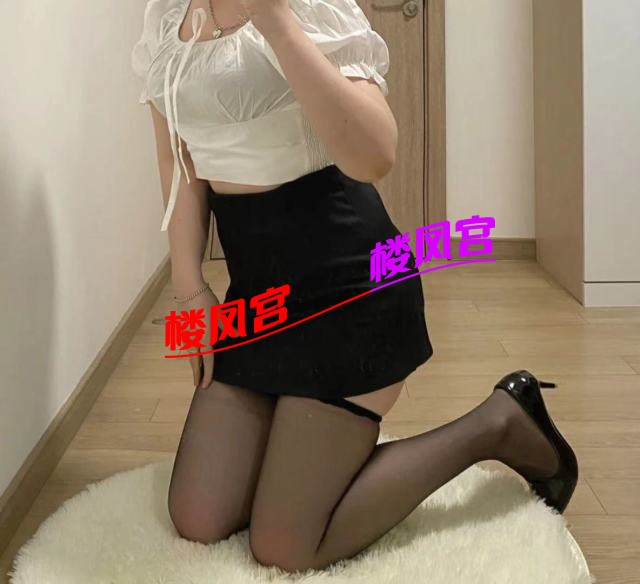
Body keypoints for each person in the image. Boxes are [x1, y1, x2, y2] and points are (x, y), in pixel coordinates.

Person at [131, 0, 579, 574]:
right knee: (199, 514)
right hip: (260, 299)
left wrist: (274, 19)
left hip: (350, 288)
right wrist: (189, 287)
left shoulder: (310, 6)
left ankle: (499, 422)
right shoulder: (168, 16)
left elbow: (376, 154)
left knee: (284, 545)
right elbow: (179, 160)